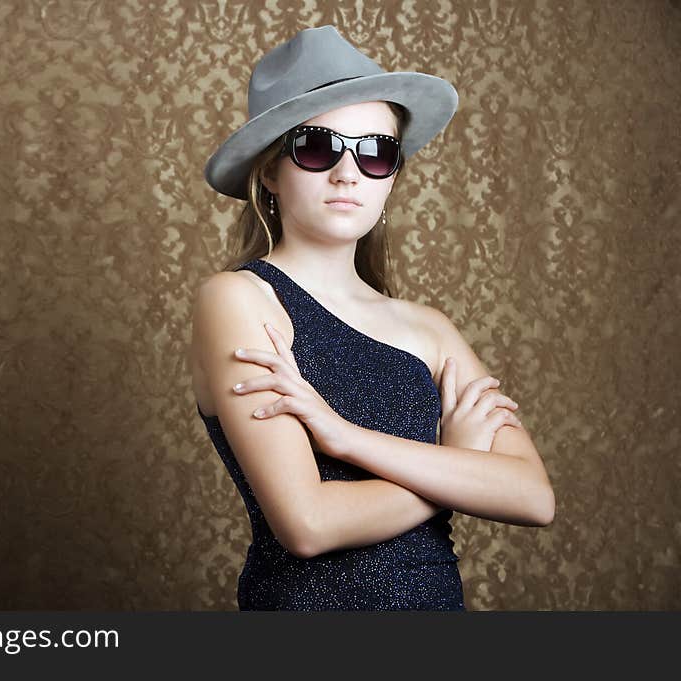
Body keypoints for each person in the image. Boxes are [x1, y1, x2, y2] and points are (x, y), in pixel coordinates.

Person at [190, 25, 555, 611]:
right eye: (316, 147)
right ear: (268, 173)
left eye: (375, 152)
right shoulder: (238, 300)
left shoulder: (430, 328)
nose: (347, 173)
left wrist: (347, 438)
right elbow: (307, 523)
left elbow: (533, 497)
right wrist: (453, 467)